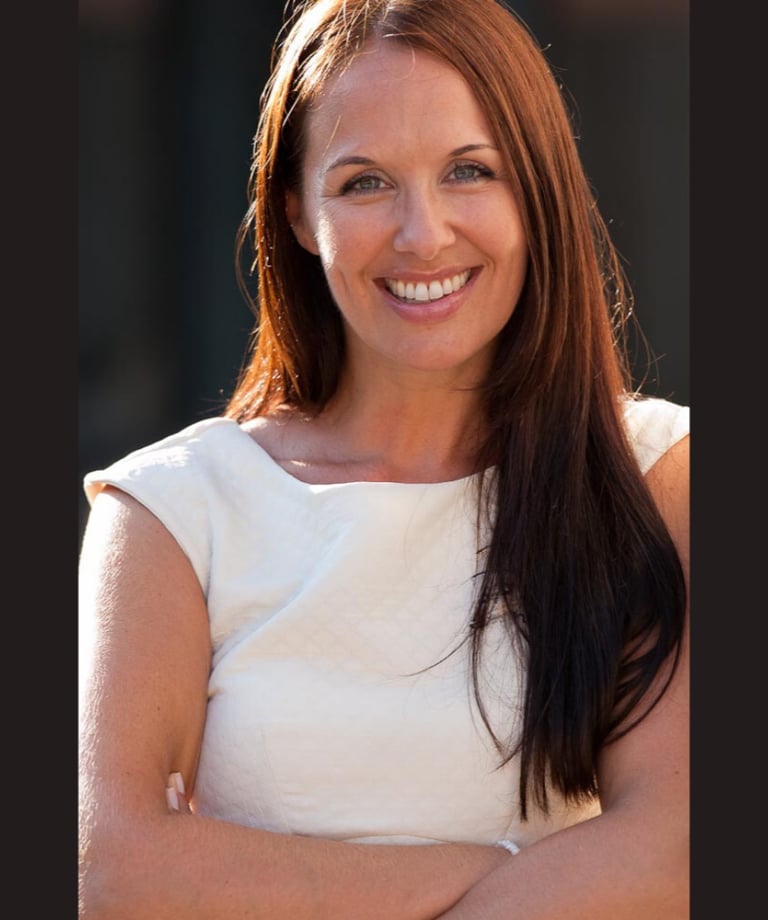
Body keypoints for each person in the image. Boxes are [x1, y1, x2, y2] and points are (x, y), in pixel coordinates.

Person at [77, 0, 690, 917]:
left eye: (469, 170)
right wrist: (522, 864)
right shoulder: (170, 511)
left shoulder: (660, 474)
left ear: (537, 190)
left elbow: (677, 852)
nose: (423, 234)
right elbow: (117, 875)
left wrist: (238, 876)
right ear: (297, 214)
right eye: (365, 183)